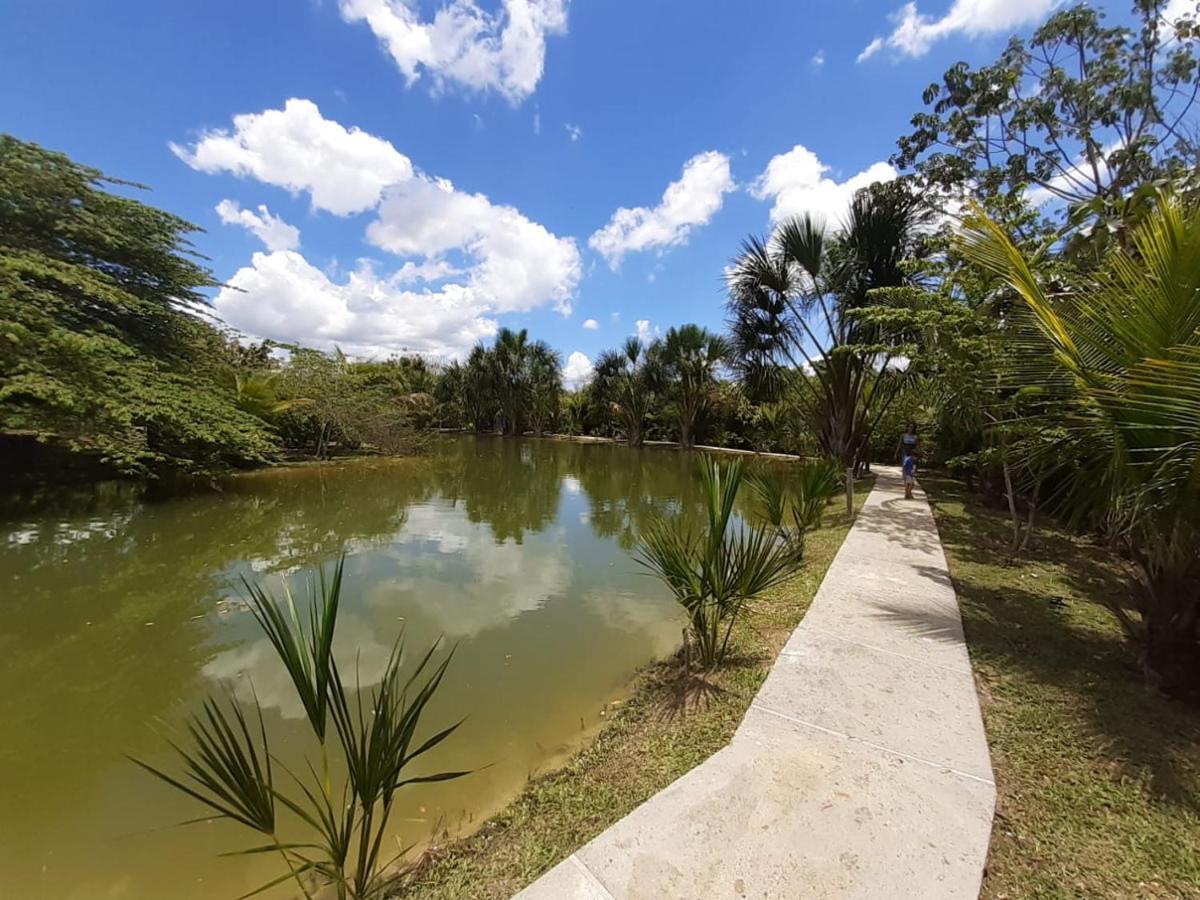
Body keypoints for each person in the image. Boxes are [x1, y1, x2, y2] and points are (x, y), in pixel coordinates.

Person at [898, 423, 919, 500]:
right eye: (909, 426)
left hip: (912, 454)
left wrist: (919, 454)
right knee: (905, 474)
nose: (911, 428)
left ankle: (908, 492)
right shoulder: (903, 435)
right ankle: (907, 493)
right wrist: (896, 453)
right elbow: (899, 445)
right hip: (905, 453)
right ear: (907, 427)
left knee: (911, 473)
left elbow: (917, 446)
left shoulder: (915, 437)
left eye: (912, 427)